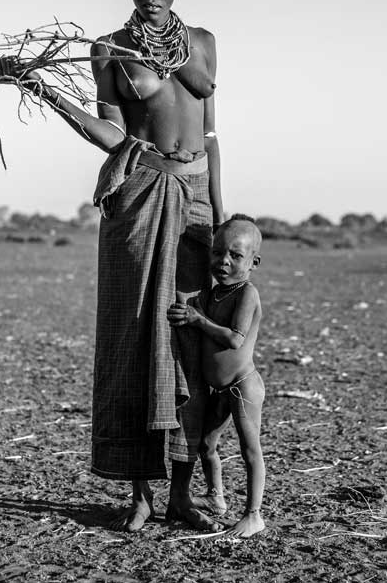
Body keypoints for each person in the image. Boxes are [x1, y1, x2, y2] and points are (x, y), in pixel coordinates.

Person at [0, 0, 224, 533]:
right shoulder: (110, 48)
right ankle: (141, 495)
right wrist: (43, 92)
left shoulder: (203, 43)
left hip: (196, 201)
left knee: (185, 345)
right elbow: (113, 133)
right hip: (142, 195)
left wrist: (219, 215)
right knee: (134, 337)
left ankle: (181, 494)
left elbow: (214, 135)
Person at [167, 215, 266, 537]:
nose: (224, 262)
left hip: (242, 386)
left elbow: (235, 338)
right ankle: (215, 496)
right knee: (206, 446)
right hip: (217, 390)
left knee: (250, 449)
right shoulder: (213, 293)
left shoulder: (246, 293)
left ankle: (254, 515)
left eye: (236, 256)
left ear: (254, 262)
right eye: (217, 253)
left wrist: (197, 319)